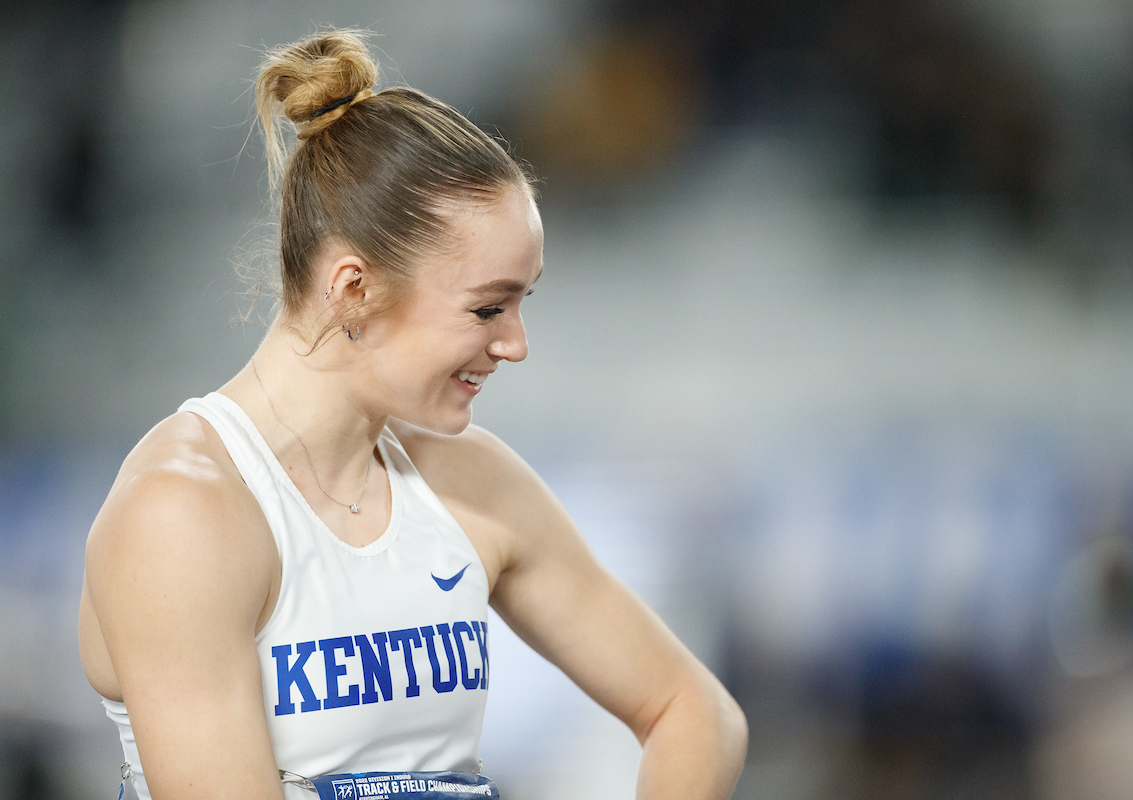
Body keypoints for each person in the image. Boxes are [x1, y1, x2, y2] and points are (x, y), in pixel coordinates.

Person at [77, 27, 747, 800]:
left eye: (522, 303)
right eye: (488, 307)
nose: (516, 345)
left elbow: (694, 710)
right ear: (354, 288)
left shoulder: (472, 481)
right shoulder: (185, 510)